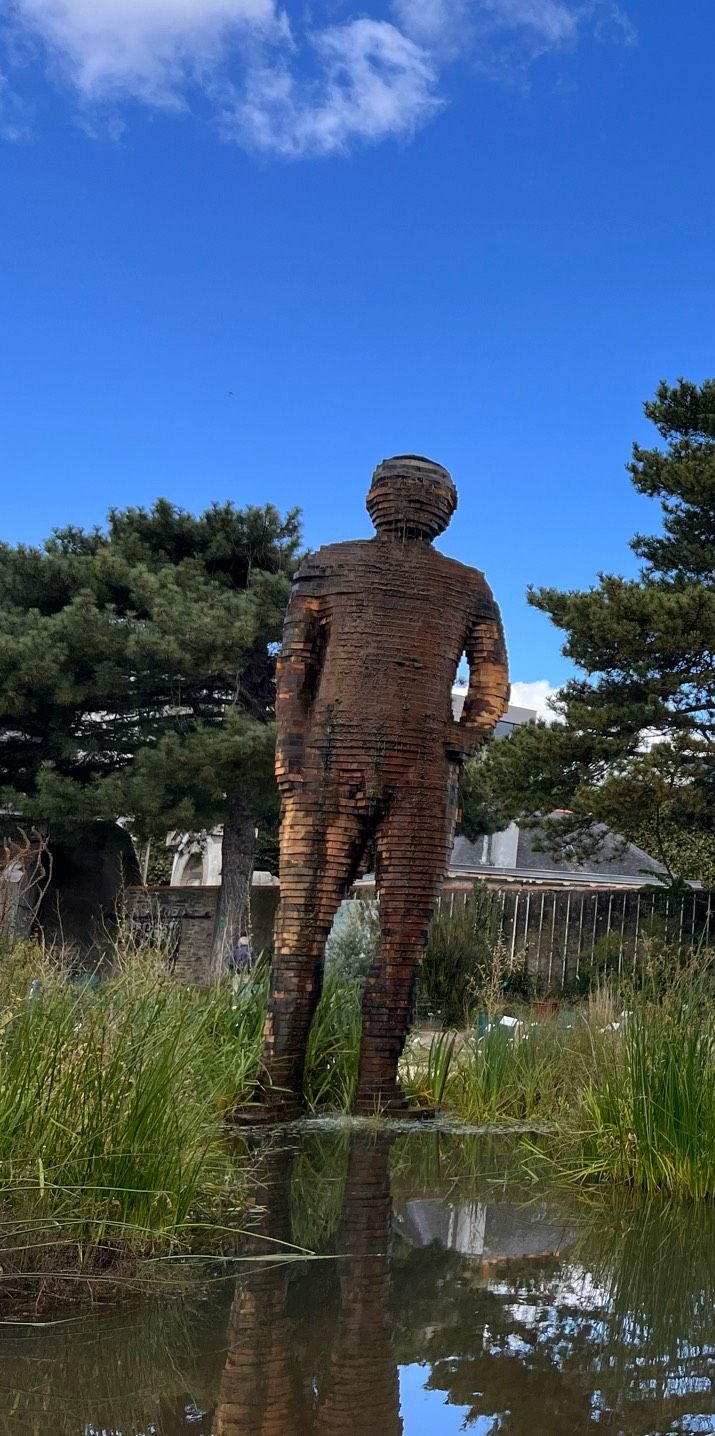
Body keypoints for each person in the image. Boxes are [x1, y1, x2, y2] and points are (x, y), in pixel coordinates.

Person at [238, 455, 507, 1120]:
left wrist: (467, 734)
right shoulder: (449, 582)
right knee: (355, 934)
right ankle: (297, 1088)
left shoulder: (340, 567)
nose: (417, 503)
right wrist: (463, 735)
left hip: (377, 765)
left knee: (364, 932)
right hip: (375, 766)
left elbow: (292, 675)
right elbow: (294, 670)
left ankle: (328, 1087)